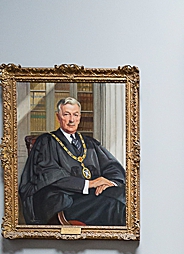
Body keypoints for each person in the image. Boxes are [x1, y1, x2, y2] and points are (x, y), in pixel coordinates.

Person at [19, 97, 126, 226]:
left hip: (93, 197)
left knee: (123, 194)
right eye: (66, 114)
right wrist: (90, 183)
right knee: (113, 204)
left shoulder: (89, 142)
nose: (71, 120)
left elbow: (113, 166)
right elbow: (50, 175)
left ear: (80, 117)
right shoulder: (47, 142)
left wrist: (109, 182)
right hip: (66, 202)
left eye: (75, 115)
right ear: (58, 117)